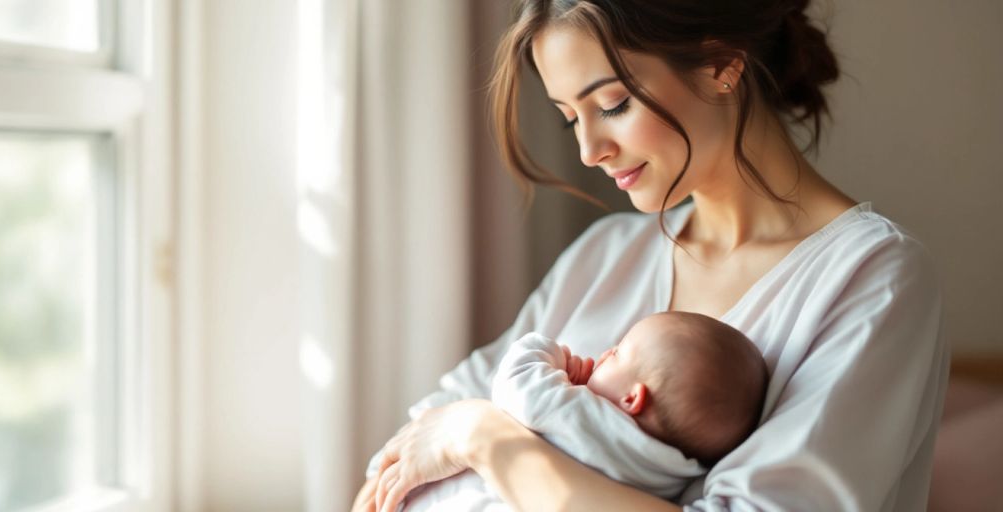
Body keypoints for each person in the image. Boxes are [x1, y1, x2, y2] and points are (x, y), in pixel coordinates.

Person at [354, 0, 949, 510]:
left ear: (721, 65)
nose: (589, 150)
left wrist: (485, 437)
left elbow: (456, 423)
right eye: (570, 121)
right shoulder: (608, 255)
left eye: (611, 105)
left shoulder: (875, 277)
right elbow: (414, 442)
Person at [390, 312, 769, 510]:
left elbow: (515, 383)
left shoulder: (585, 415)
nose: (604, 353)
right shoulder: (673, 471)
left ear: (633, 399)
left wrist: (551, 357)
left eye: (618, 353)